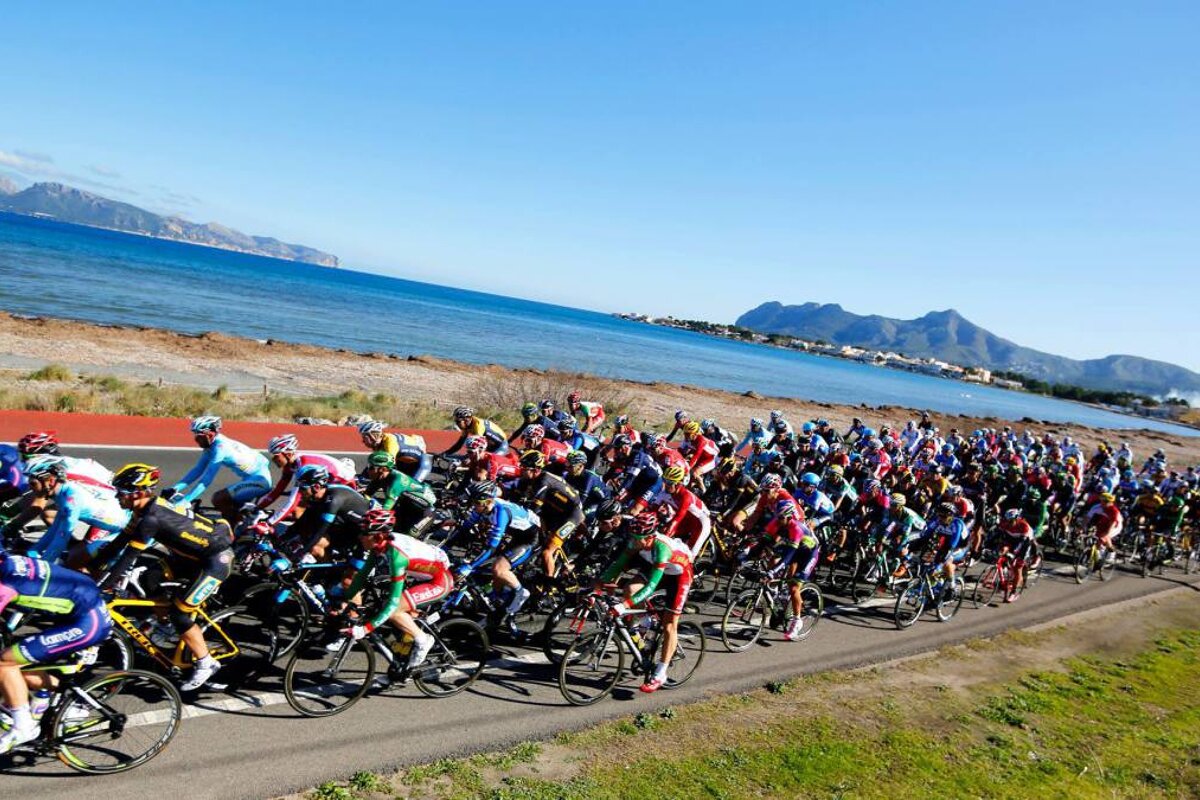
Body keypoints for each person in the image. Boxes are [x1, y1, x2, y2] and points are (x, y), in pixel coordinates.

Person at [107, 463, 235, 691]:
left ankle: (206, 662)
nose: (117, 496)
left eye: (121, 492)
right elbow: (115, 546)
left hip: (216, 561)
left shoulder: (150, 520)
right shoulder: (140, 512)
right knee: (149, 578)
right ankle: (166, 626)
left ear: (137, 493)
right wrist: (89, 568)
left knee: (180, 612)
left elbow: (127, 556)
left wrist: (105, 587)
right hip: (191, 557)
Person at [0, 553, 112, 752]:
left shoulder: (6, 585)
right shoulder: (7, 560)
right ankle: (70, 699)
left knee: (5, 662)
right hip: (79, 608)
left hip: (87, 623)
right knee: (16, 671)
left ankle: (23, 727)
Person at [340, 509, 452, 669]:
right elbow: (360, 577)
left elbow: (392, 604)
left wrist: (365, 629)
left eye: (364, 532)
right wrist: (345, 601)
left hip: (440, 580)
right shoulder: (379, 545)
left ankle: (423, 640)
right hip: (425, 572)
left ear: (378, 536)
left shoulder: (397, 556)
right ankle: (403, 664)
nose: (360, 536)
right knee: (391, 608)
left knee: (393, 610)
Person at [596, 511, 693, 692]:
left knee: (669, 626)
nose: (633, 541)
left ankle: (661, 673)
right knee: (630, 590)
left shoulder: (662, 549)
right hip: (656, 567)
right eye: (631, 536)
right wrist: (597, 586)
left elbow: (650, 587)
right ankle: (643, 622)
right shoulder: (638, 542)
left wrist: (624, 606)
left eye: (636, 538)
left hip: (679, 576)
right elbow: (618, 565)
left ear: (649, 538)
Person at [454, 481, 540, 636]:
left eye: (475, 502)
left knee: (498, 568)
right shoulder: (484, 507)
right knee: (492, 573)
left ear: (487, 501)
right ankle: (497, 605)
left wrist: (470, 566)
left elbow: (491, 547)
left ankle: (521, 593)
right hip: (516, 535)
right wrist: (445, 546)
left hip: (529, 538)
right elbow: (465, 527)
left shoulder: (500, 512)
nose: (473, 506)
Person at [13, 457, 129, 566]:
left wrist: (44, 565)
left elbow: (61, 540)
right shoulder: (63, 493)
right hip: (118, 525)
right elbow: (53, 532)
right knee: (73, 557)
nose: (31, 488)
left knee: (74, 560)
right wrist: (32, 552)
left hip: (124, 530)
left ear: (51, 481)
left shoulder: (71, 501)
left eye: (33, 484)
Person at [167, 416, 272, 523]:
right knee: (230, 505)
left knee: (218, 499)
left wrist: (186, 500)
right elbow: (198, 469)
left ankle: (234, 531)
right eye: (195, 435)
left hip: (260, 481)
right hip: (251, 478)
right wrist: (174, 488)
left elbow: (206, 480)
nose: (196, 439)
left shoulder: (220, 448)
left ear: (210, 434)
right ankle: (239, 522)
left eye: (199, 436)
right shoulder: (211, 445)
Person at [506, 451, 584, 580]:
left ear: (536, 470)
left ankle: (549, 583)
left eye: (525, 468)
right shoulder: (528, 479)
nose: (521, 470)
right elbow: (515, 499)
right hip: (554, 508)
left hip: (572, 514)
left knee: (547, 550)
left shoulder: (544, 481)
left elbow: (533, 510)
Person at [256, 434, 357, 526]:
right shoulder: (290, 465)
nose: (273, 460)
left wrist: (269, 523)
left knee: (300, 508)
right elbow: (278, 490)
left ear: (288, 454)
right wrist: (257, 508)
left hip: (345, 484)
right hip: (329, 483)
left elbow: (293, 501)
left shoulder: (303, 466)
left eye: (276, 457)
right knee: (302, 505)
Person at [760, 496, 819, 641]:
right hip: (795, 549)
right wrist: (746, 556)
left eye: (781, 518)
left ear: (788, 517)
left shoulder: (796, 529)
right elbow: (762, 542)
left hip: (809, 554)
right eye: (776, 516)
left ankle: (797, 621)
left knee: (793, 587)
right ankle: (785, 602)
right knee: (775, 565)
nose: (777, 520)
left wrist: (773, 571)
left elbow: (787, 558)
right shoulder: (777, 522)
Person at [286, 465, 373, 561]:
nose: (300, 492)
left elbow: (320, 531)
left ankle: (327, 573)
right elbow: (304, 520)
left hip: (363, 535)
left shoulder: (333, 500)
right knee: (305, 533)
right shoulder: (317, 496)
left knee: (315, 547)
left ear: (316, 487)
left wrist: (300, 553)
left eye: (302, 488)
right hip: (346, 526)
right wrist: (282, 538)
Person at [357, 452, 438, 534]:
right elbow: (366, 496)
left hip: (426, 512)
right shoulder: (379, 478)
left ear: (383, 469)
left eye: (370, 467)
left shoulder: (397, 481)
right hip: (407, 507)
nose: (367, 470)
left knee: (407, 536)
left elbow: (386, 509)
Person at [659, 465, 712, 559]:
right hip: (687, 520)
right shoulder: (666, 492)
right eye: (664, 481)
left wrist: (665, 536)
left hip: (701, 523)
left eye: (669, 482)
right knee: (664, 534)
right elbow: (653, 507)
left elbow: (678, 518)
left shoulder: (685, 496)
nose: (665, 485)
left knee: (689, 557)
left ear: (678, 484)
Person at [357, 422, 432, 481]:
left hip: (422, 462)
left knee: (409, 488)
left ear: (373, 436)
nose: (363, 441)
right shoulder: (378, 444)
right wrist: (362, 476)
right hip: (404, 462)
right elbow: (374, 462)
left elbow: (389, 465)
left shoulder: (390, 442)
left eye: (365, 437)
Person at [439, 407, 508, 456]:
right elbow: (459, 444)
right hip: (489, 446)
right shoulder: (467, 427)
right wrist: (445, 453)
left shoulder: (478, 426)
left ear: (466, 420)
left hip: (500, 446)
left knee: (486, 463)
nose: (456, 423)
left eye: (458, 421)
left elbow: (478, 446)